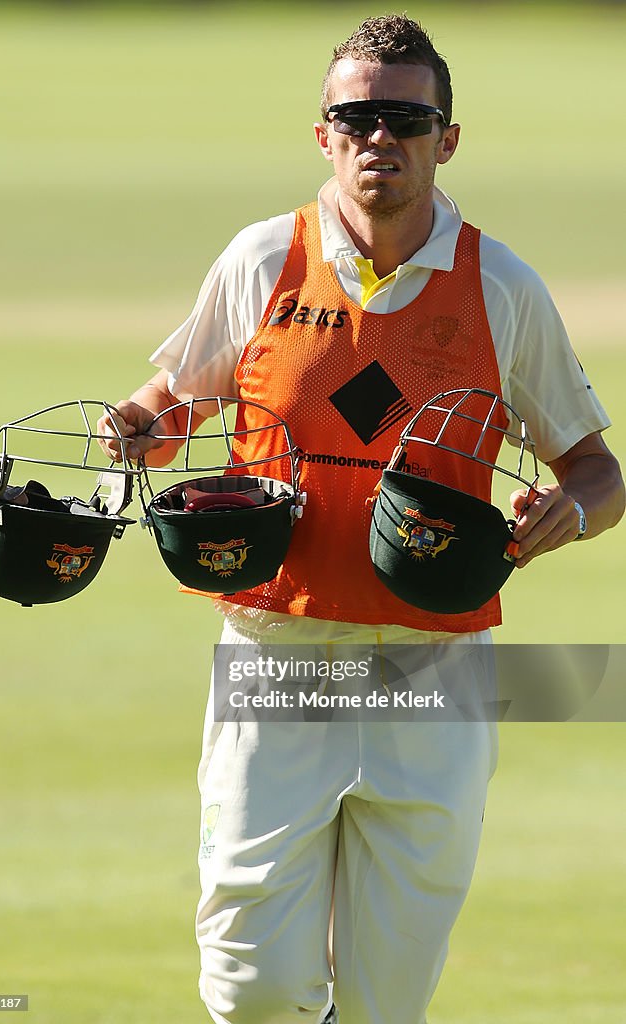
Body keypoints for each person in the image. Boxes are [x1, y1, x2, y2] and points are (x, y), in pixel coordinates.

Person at [98, 15, 624, 1024]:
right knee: (249, 988)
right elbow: (170, 406)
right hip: (276, 653)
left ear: (446, 138)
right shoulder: (262, 259)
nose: (378, 137)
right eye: (356, 117)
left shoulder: (499, 286)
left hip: (433, 669)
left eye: (404, 118)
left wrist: (573, 509)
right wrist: (129, 427)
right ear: (322, 134)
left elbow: (596, 467)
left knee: (390, 998)